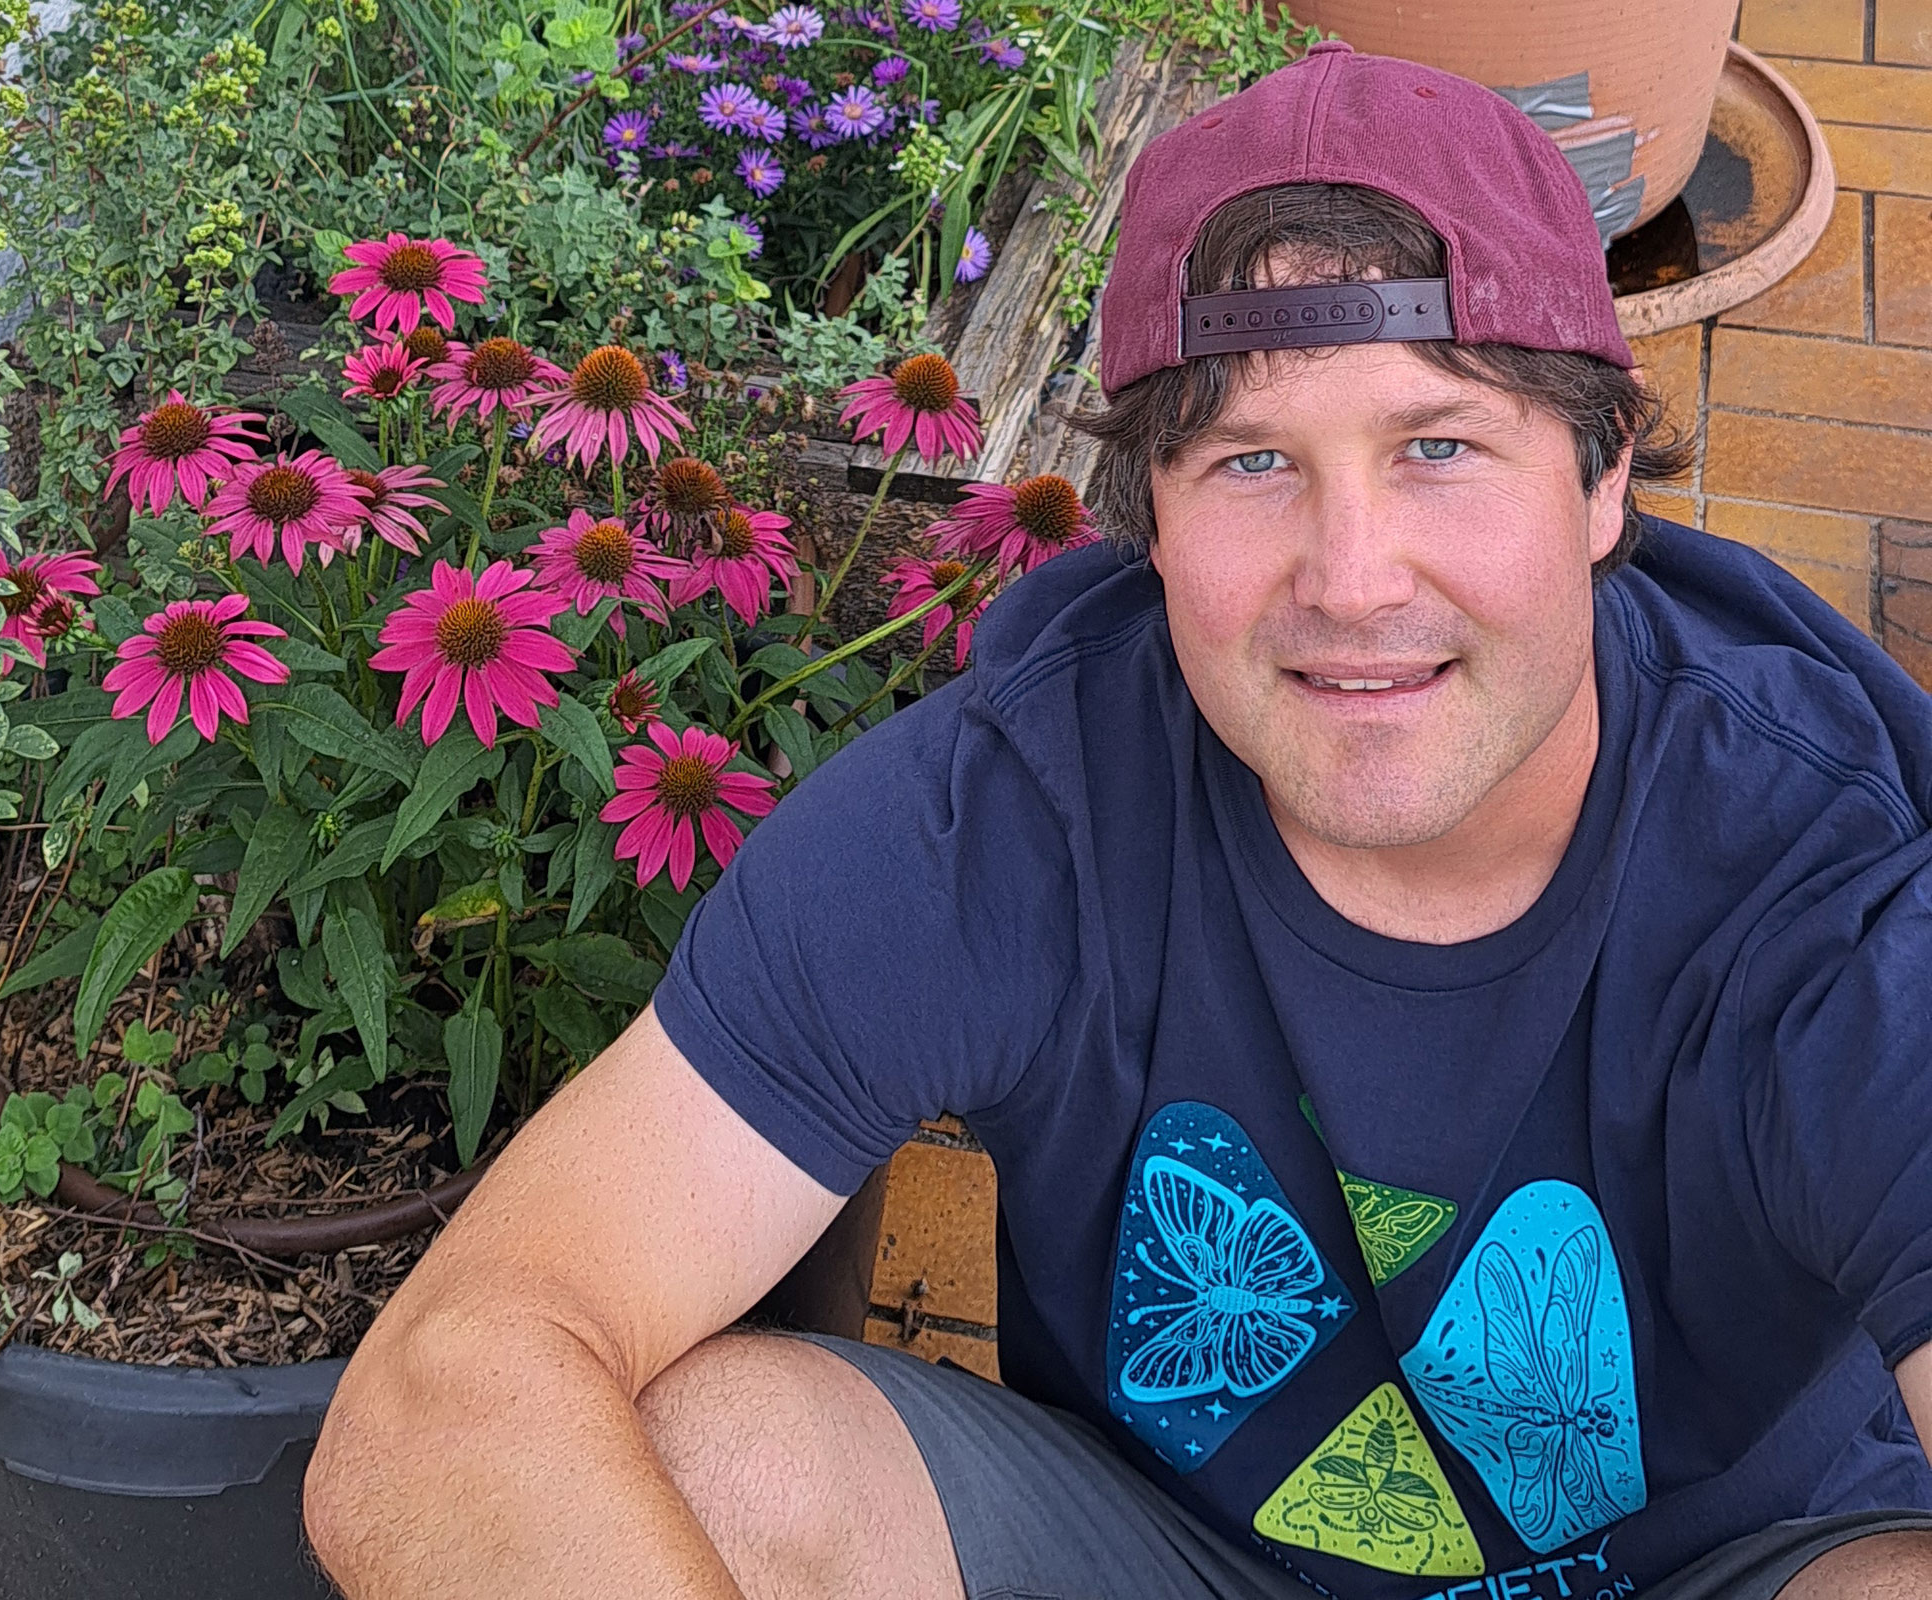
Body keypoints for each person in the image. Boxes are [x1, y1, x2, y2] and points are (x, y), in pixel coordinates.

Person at [302, 43, 1932, 1600]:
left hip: (1721, 1566)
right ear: (1147, 521)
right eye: (1248, 465)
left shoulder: (1822, 889)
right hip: (1166, 1555)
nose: (1352, 579)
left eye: (1441, 446)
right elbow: (450, 1389)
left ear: (1602, 483)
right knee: (717, 1459)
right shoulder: (1015, 815)